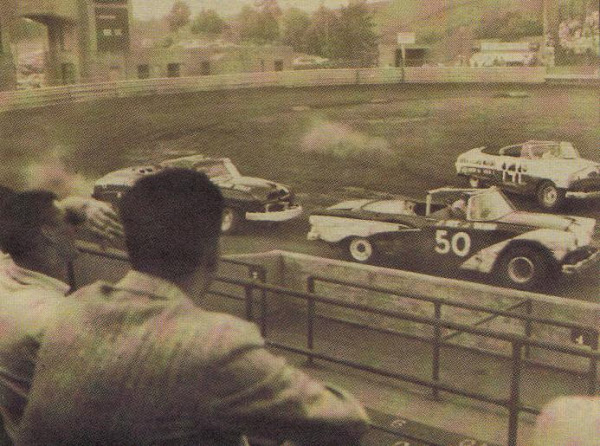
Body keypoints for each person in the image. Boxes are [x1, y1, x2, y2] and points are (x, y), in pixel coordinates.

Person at [15, 169, 370, 446]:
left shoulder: (75, 308)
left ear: (130, 242)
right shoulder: (215, 342)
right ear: (212, 251)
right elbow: (347, 419)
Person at [0, 189, 123, 443]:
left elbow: (20, 215)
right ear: (48, 233)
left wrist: (75, 208)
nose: (76, 229)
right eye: (66, 221)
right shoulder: (60, 318)